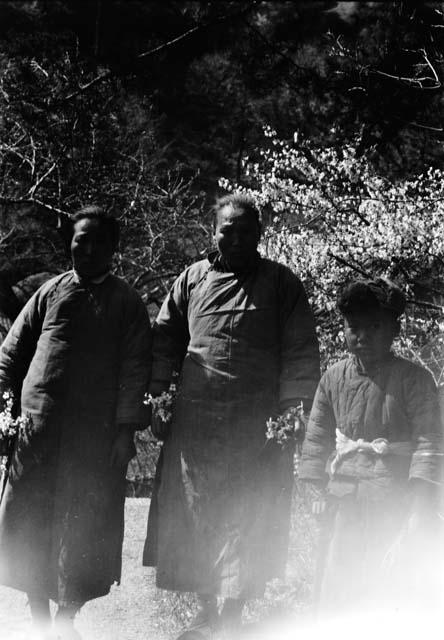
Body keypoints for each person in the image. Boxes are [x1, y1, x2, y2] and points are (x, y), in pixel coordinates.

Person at [143, 193, 320, 638]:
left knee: (249, 514)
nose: (236, 239)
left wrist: (292, 410)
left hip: (256, 423)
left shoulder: (282, 283)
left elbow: (300, 351)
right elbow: (164, 340)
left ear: (260, 235)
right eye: (228, 230)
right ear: (214, 231)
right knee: (197, 510)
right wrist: (160, 397)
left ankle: (235, 616)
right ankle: (206, 612)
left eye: (246, 231)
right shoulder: (191, 279)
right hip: (197, 422)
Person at [0, 206, 151, 639]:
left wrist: (124, 433)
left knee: (84, 526)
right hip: (38, 429)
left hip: (93, 439)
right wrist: (5, 411)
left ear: (113, 250)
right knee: (28, 518)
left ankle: (66, 617)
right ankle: (38, 618)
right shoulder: (49, 292)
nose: (86, 249)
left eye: (98, 242)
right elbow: (10, 355)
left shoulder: (126, 303)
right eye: (80, 239)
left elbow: (135, 371)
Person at [299, 278, 442, 616]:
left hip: (395, 499)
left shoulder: (414, 379)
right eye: (354, 327)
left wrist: (420, 509)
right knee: (339, 583)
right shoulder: (333, 378)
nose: (362, 336)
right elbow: (317, 439)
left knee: (392, 584)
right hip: (343, 500)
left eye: (374, 326)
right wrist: (316, 491)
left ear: (394, 329)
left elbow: (429, 443)